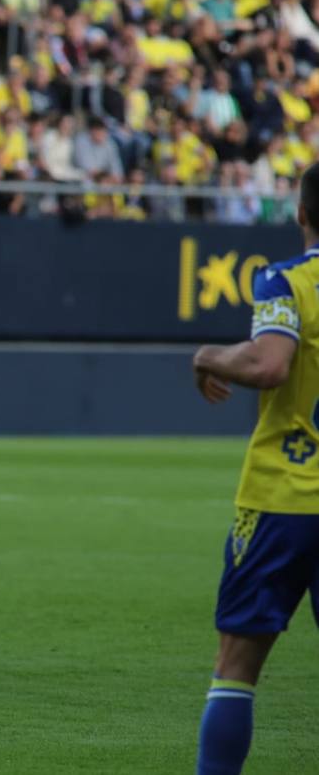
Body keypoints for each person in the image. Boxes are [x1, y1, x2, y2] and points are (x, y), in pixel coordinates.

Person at [190, 163, 319, 774]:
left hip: (283, 499)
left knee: (237, 666)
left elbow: (270, 366)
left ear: (301, 215)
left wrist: (211, 356)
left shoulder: (284, 281)